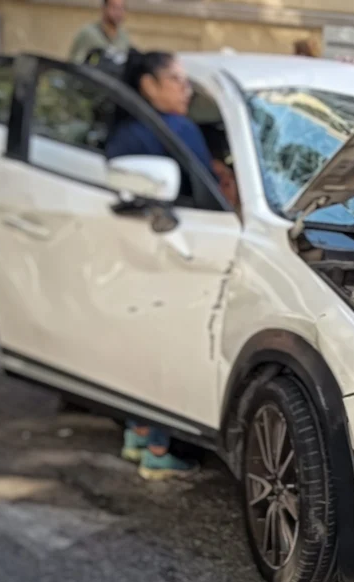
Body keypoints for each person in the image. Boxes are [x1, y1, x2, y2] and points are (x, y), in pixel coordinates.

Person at [106, 51, 236, 479]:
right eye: (177, 80)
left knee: (140, 344)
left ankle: (138, 432)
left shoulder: (124, 130)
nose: (187, 89)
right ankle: (160, 449)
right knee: (173, 350)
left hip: (127, 252)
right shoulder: (177, 129)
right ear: (149, 85)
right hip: (175, 250)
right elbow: (206, 191)